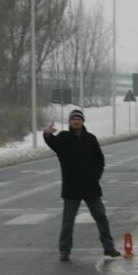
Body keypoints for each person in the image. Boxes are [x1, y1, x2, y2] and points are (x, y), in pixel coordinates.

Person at [43, 108, 121, 261]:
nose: (76, 121)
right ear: (70, 122)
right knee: (68, 220)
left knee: (101, 216)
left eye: (79, 119)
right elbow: (51, 142)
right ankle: (64, 250)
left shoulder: (90, 139)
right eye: (73, 119)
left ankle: (109, 247)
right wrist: (47, 133)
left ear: (82, 121)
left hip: (90, 187)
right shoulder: (64, 138)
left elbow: (99, 160)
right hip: (71, 187)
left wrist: (96, 176)